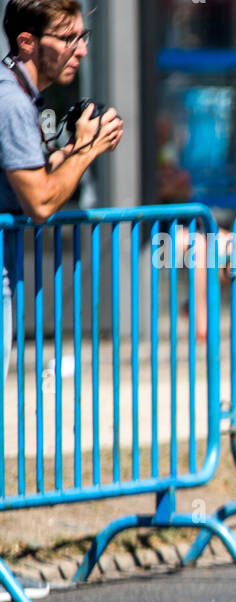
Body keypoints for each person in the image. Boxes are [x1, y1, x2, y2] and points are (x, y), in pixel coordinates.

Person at [2, 0, 122, 386]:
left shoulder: (19, 95)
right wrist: (87, 150)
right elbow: (39, 202)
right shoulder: (12, 103)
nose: (82, 50)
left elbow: (36, 177)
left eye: (82, 37)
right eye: (68, 38)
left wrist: (74, 149)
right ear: (27, 43)